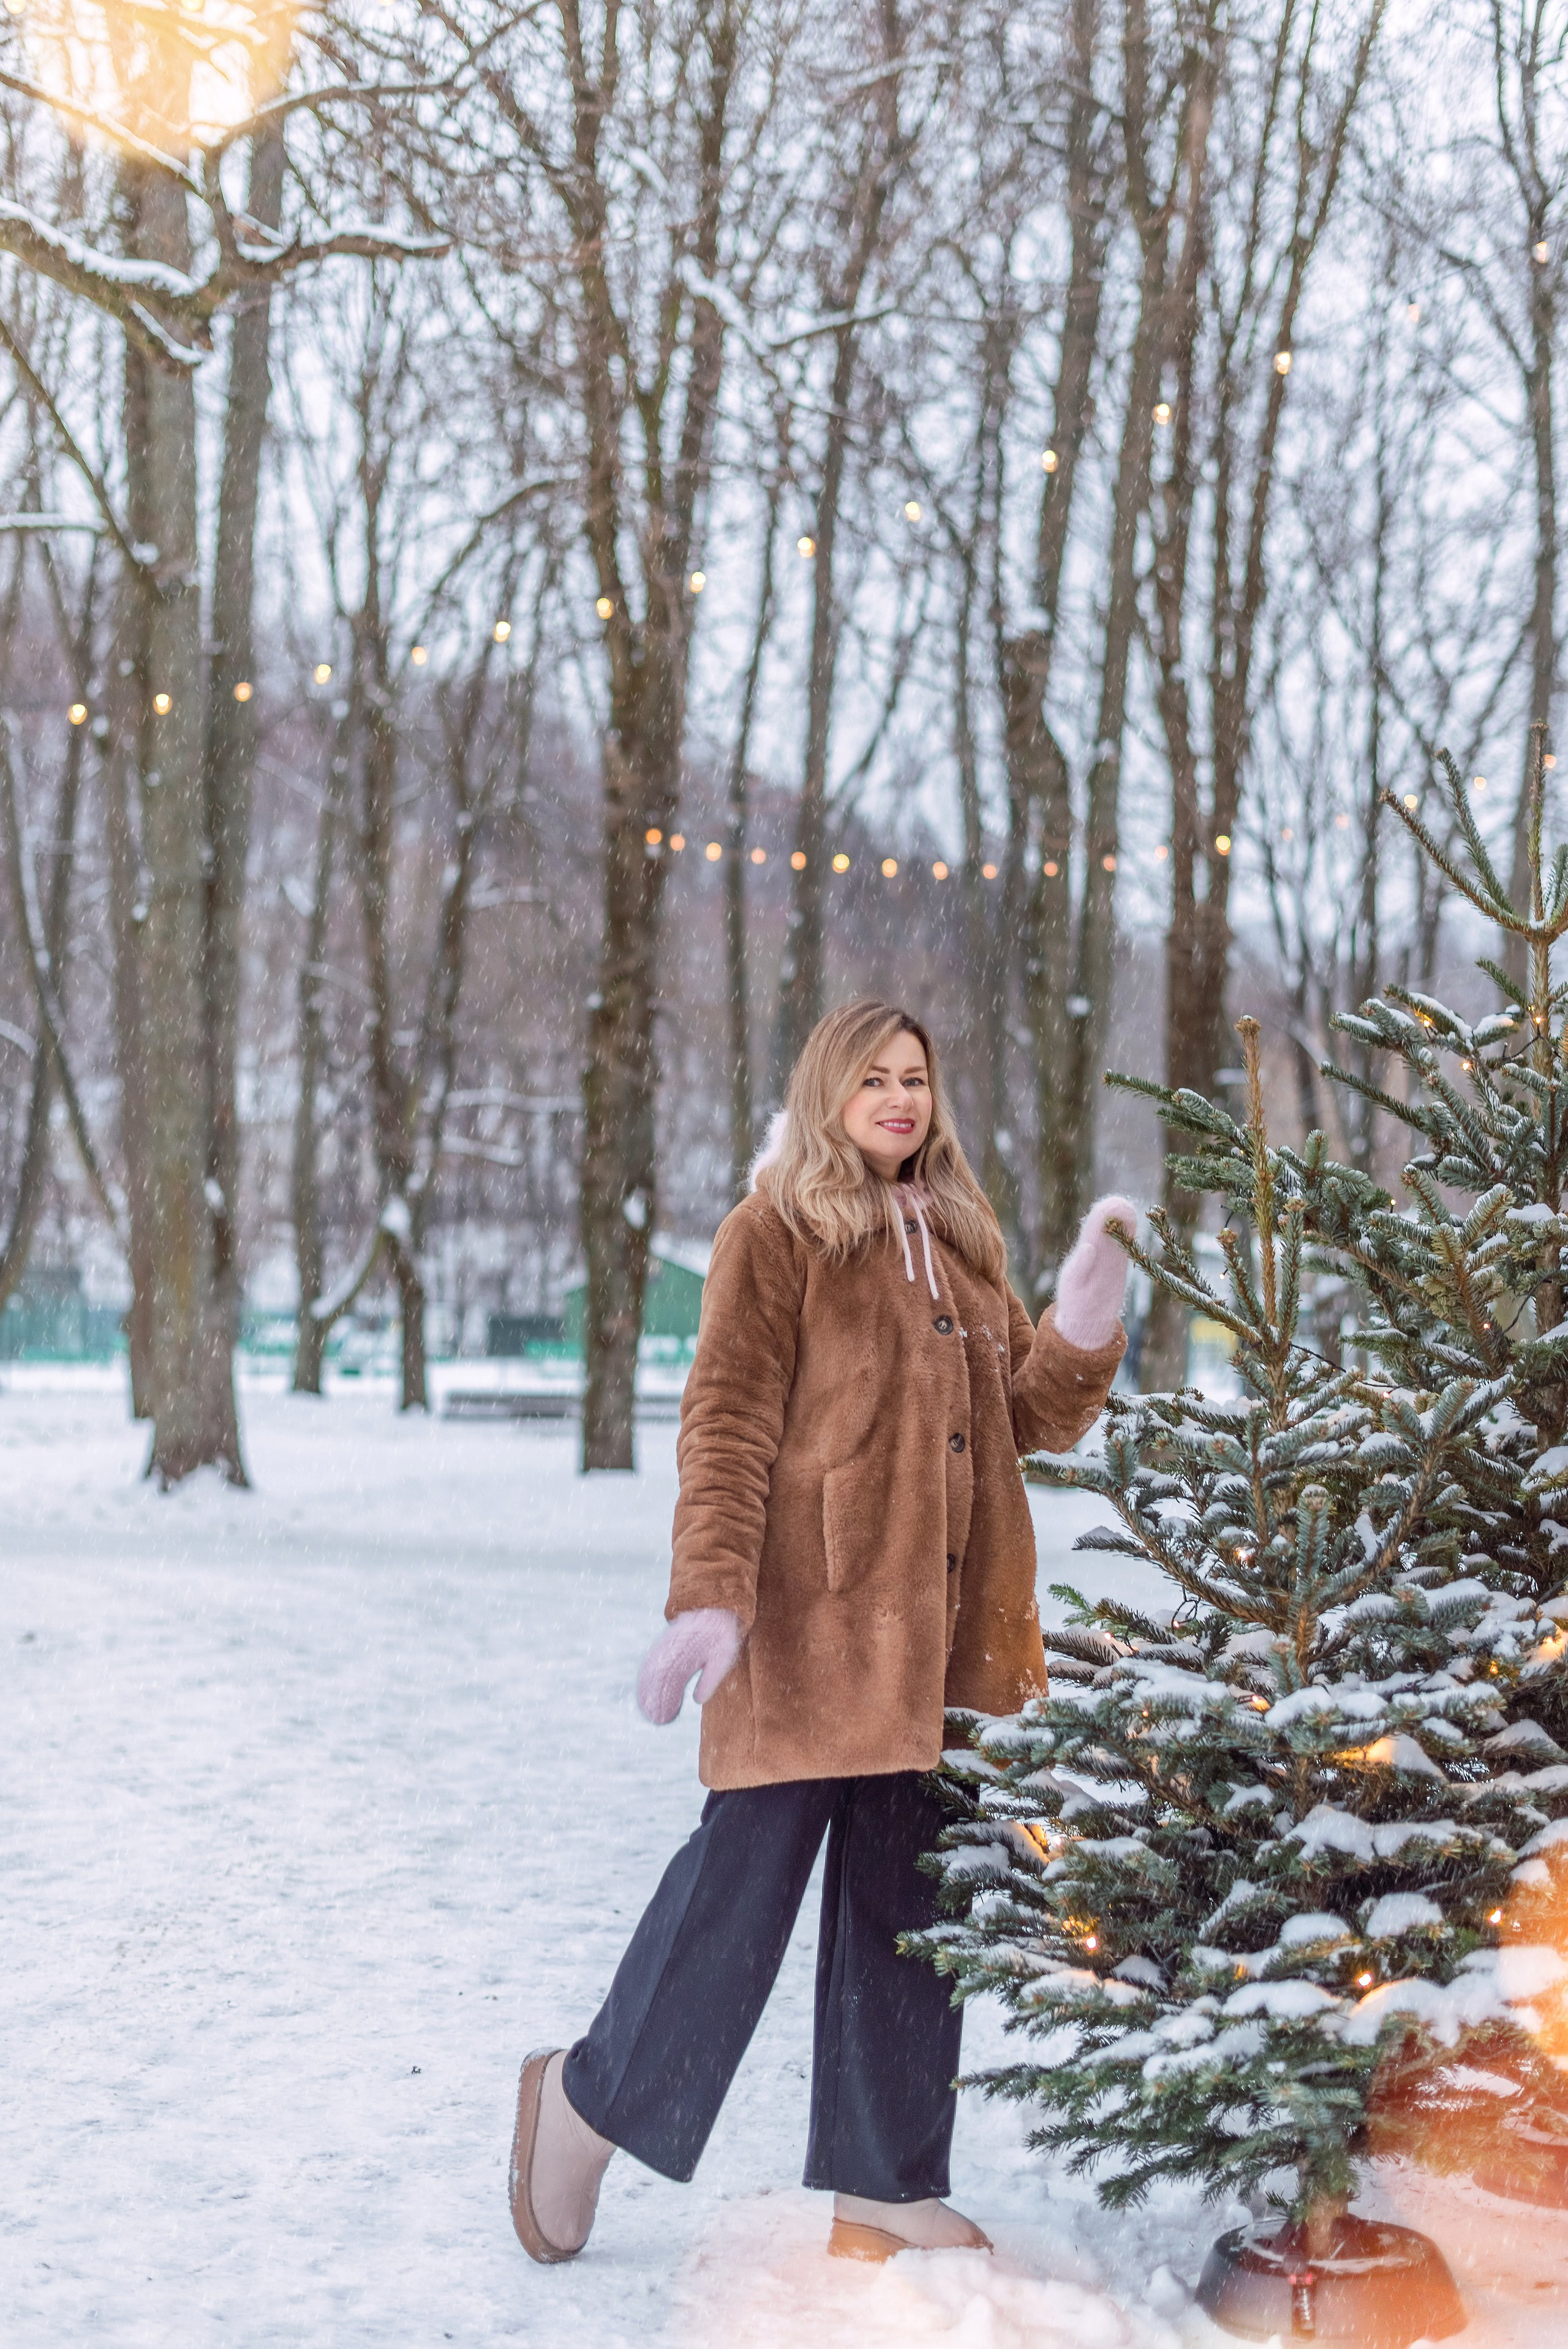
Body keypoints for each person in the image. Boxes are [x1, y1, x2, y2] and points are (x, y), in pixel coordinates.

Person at [508, 997, 1136, 2267]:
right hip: (807, 1631)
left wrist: (1078, 1321)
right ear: (827, 1094)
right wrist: (708, 1595)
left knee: (918, 1904)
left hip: (945, 1643)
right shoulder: (774, 1234)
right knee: (731, 1908)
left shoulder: (961, 1240)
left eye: (914, 1078)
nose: (899, 1099)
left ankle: (885, 2183)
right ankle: (581, 2103)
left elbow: (1021, 1417)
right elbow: (727, 1422)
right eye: (872, 1079)